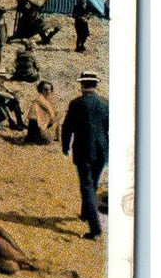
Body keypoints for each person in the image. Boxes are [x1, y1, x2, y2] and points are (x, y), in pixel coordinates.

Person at [61, 71, 109, 239]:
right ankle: (85, 213)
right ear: (95, 85)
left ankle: (95, 229)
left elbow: (67, 127)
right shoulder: (105, 103)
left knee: (87, 186)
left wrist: (65, 146)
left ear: (82, 85)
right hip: (102, 151)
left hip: (84, 150)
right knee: (93, 184)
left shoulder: (77, 103)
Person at [25, 81, 59, 145]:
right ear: (41, 90)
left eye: (50, 89)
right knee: (57, 119)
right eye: (45, 90)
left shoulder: (45, 100)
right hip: (36, 127)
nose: (48, 91)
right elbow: (52, 115)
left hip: (38, 126)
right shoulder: (40, 99)